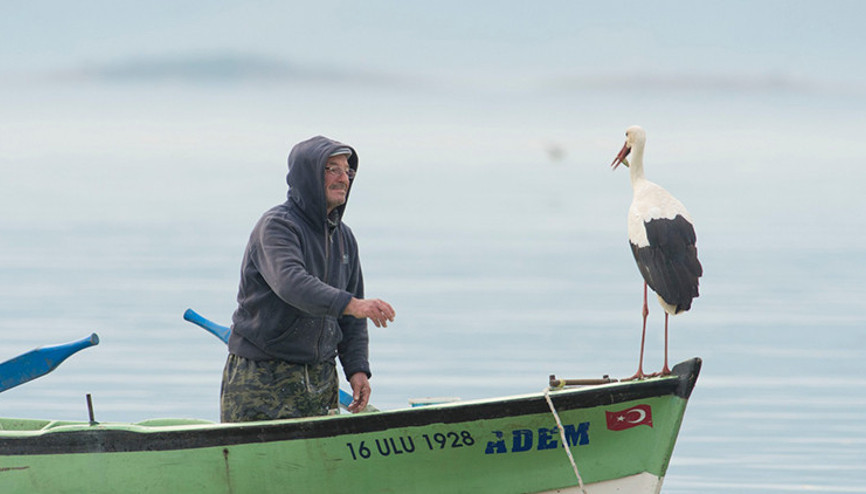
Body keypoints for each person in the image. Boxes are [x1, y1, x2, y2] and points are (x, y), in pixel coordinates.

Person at [220, 135, 396, 422]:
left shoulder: (344, 237)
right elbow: (292, 284)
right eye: (332, 169)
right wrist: (352, 304)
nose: (343, 178)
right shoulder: (277, 227)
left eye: (347, 170)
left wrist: (357, 370)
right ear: (308, 176)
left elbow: (350, 320)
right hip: (264, 375)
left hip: (321, 378)